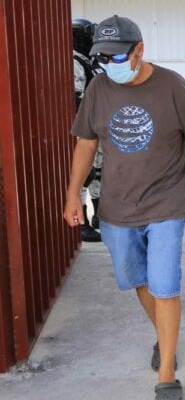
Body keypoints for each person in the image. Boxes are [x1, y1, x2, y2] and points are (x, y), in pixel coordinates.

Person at [62, 15, 185, 400]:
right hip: (116, 208)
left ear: (139, 50)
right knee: (139, 281)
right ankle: (162, 338)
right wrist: (73, 194)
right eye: (105, 56)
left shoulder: (171, 85)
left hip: (165, 204)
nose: (111, 64)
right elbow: (85, 144)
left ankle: (166, 375)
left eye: (118, 56)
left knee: (165, 285)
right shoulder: (98, 88)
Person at [72, 18, 104, 243]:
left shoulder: (89, 61)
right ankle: (82, 224)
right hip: (86, 130)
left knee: (100, 173)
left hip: (97, 127)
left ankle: (99, 216)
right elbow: (77, 99)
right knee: (86, 174)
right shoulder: (75, 62)